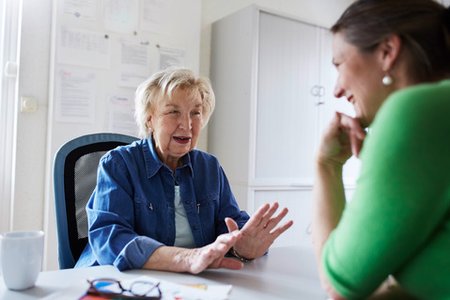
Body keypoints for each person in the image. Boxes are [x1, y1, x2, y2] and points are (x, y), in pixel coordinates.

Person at [76, 68, 293, 273]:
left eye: (195, 113)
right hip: (124, 282)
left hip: (193, 284)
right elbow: (110, 238)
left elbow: (232, 225)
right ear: (150, 119)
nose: (187, 124)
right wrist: (185, 258)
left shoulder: (209, 167)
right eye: (173, 112)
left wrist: (243, 247)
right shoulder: (118, 164)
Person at [311, 0, 450, 299]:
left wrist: (327, 164)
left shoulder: (415, 110)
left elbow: (338, 284)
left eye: (339, 64)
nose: (336, 89)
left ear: (387, 52)